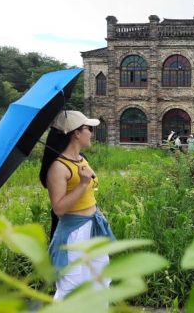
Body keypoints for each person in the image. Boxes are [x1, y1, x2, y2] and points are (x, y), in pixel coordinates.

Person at [39, 110, 115, 300]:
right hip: (74, 233)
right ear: (76, 133)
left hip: (94, 227)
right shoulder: (58, 167)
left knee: (101, 281)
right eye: (88, 128)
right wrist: (82, 183)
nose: (92, 132)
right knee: (71, 287)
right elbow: (59, 208)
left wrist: (97, 211)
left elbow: (89, 194)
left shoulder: (81, 160)